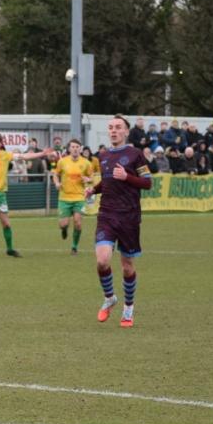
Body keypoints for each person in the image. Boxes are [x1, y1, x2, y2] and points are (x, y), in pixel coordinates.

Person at [87, 115, 152, 328]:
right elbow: (106, 182)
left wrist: (127, 177)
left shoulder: (136, 155)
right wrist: (93, 190)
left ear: (126, 131)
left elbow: (147, 183)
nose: (113, 131)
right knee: (102, 260)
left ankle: (128, 308)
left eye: (118, 127)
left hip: (129, 217)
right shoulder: (103, 156)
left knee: (127, 266)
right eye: (111, 127)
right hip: (106, 214)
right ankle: (110, 298)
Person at [51, 139, 95, 255]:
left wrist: (88, 179)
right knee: (63, 224)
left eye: (77, 147)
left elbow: (92, 176)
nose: (75, 149)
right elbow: (55, 174)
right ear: (69, 149)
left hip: (79, 197)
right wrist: (56, 183)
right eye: (73, 147)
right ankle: (64, 229)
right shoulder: (62, 162)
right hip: (64, 198)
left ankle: (74, 247)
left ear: (80, 149)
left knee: (78, 223)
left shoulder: (86, 163)